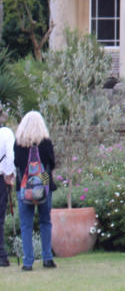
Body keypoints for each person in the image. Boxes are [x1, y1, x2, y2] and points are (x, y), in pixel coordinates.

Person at [14, 111, 57, 271]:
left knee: (26, 225)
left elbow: (17, 164)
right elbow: (51, 164)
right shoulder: (46, 142)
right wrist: (44, 180)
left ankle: (28, 262)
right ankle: (47, 258)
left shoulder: (19, 143)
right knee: (45, 221)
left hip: (24, 186)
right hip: (43, 183)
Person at [0, 107, 15, 267]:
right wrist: (10, 175)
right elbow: (11, 155)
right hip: (2, 178)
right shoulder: (5, 133)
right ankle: (1, 255)